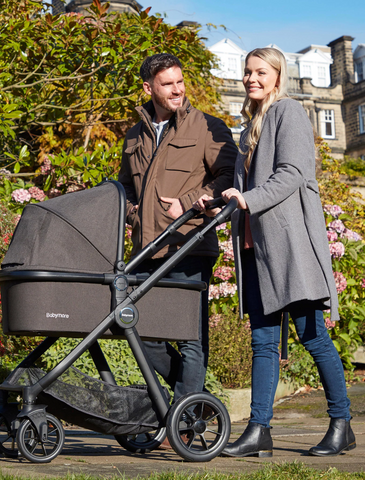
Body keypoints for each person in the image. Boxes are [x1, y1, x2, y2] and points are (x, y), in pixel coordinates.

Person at [194, 47, 355, 458]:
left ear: (278, 76)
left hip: (289, 248)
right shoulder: (250, 128)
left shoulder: (289, 114)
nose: (252, 78)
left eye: (260, 72)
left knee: (312, 336)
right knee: (263, 343)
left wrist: (247, 200)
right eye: (247, 72)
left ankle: (342, 423)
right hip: (256, 249)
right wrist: (213, 200)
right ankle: (258, 431)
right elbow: (240, 182)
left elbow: (292, 174)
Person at [118, 53, 238, 406]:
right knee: (131, 323)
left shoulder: (206, 127)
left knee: (190, 339)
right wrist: (132, 212)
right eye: (167, 84)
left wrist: (187, 202)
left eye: (180, 82)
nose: (177, 90)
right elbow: (124, 187)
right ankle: (194, 400)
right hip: (147, 249)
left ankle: (185, 421)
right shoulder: (134, 136)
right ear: (148, 88)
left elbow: (228, 178)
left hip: (190, 244)